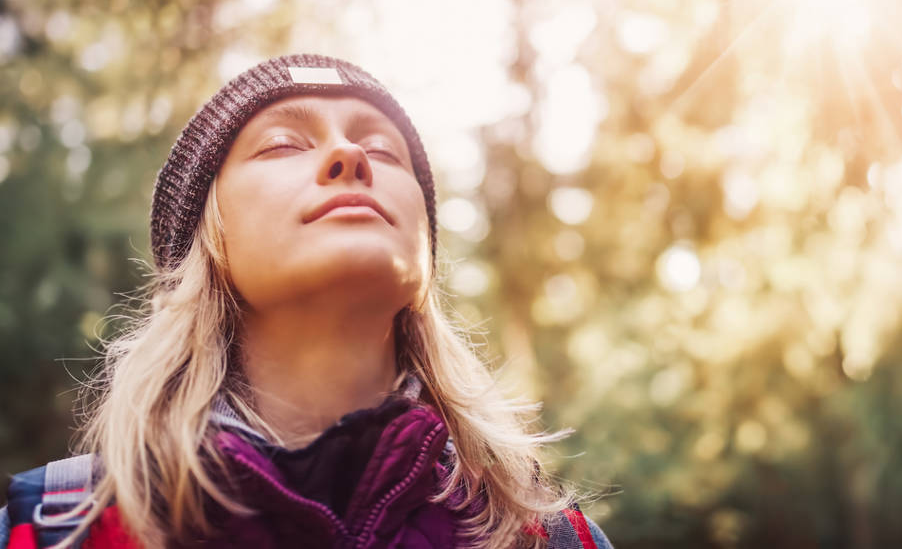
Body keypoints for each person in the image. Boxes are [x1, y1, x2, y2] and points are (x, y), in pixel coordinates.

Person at [0, 54, 613, 549]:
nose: (349, 157)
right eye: (283, 145)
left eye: (384, 150)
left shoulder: (546, 536)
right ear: (206, 241)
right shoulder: (54, 533)